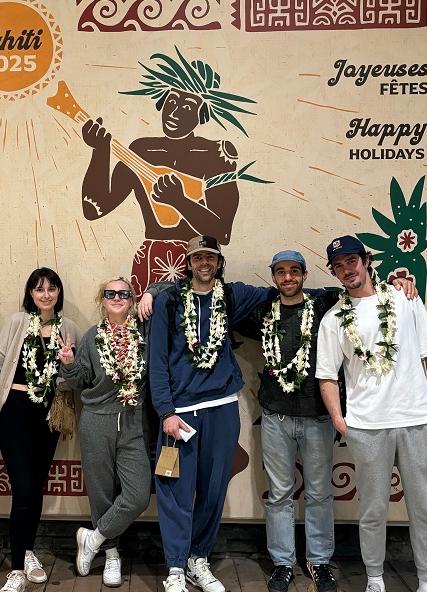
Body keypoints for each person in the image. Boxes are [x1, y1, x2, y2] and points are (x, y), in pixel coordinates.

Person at [235, 251, 416, 592]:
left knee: (319, 493)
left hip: (318, 417)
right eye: (280, 272)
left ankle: (318, 562)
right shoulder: (263, 312)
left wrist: (398, 280)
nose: (288, 277)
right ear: (273, 277)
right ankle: (282, 563)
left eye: (294, 271)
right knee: (279, 494)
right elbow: (225, 307)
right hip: (275, 417)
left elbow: (363, 290)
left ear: (305, 275)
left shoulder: (325, 305)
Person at [148, 235, 280, 592]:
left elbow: (284, 292)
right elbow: (156, 360)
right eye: (197, 258)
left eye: (210, 257)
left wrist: (349, 292)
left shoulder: (232, 295)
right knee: (175, 490)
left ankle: (198, 558)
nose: (204, 263)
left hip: (222, 407)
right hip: (180, 412)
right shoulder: (169, 301)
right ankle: (175, 567)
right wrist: (165, 411)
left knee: (213, 489)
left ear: (219, 262)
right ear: (188, 263)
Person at [315, 235, 427, 592]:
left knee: (424, 509)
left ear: (366, 261)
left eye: (352, 261)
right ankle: (374, 578)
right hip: (367, 427)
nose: (347, 270)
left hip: (417, 420)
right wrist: (340, 420)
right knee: (372, 510)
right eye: (339, 266)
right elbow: (327, 376)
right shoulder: (333, 319)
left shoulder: (405, 298)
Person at [81, 47, 260, 298]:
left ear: (202, 115)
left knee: (195, 321)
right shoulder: (142, 150)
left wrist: (179, 201)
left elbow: (223, 232)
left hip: (197, 266)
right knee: (147, 321)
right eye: (172, 102)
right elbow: (94, 207)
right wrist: (100, 152)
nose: (175, 112)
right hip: (150, 261)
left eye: (188, 106)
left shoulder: (216, 154)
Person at [0, 268, 83, 592]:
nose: (46, 294)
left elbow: (76, 380)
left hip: (48, 415)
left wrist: (69, 363)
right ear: (31, 293)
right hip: (15, 410)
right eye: (39, 289)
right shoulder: (17, 323)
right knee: (23, 490)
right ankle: (16, 571)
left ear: (59, 292)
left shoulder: (69, 328)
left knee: (36, 488)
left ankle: (26, 553)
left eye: (52, 288)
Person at [59, 277, 152, 587]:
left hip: (132, 421)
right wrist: (69, 364)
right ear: (102, 300)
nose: (116, 297)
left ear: (132, 300)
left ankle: (94, 538)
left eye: (123, 293)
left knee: (138, 495)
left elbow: (170, 289)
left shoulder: (144, 333)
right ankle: (111, 554)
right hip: (96, 421)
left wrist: (152, 292)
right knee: (100, 493)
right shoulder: (91, 337)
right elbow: (79, 381)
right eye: (110, 293)